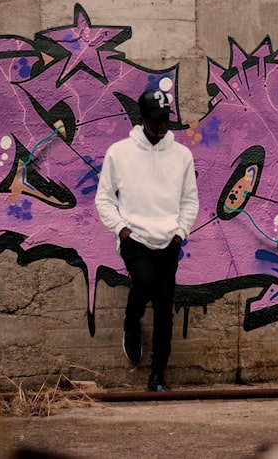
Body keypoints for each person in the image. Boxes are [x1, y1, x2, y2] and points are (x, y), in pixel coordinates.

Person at [95, 89, 199, 392]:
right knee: (146, 281)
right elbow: (104, 199)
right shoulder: (119, 152)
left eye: (165, 120)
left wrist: (180, 233)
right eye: (155, 121)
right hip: (134, 236)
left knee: (165, 306)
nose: (162, 127)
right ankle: (132, 320)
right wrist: (121, 230)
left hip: (169, 238)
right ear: (142, 119)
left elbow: (189, 200)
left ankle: (157, 377)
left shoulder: (182, 156)